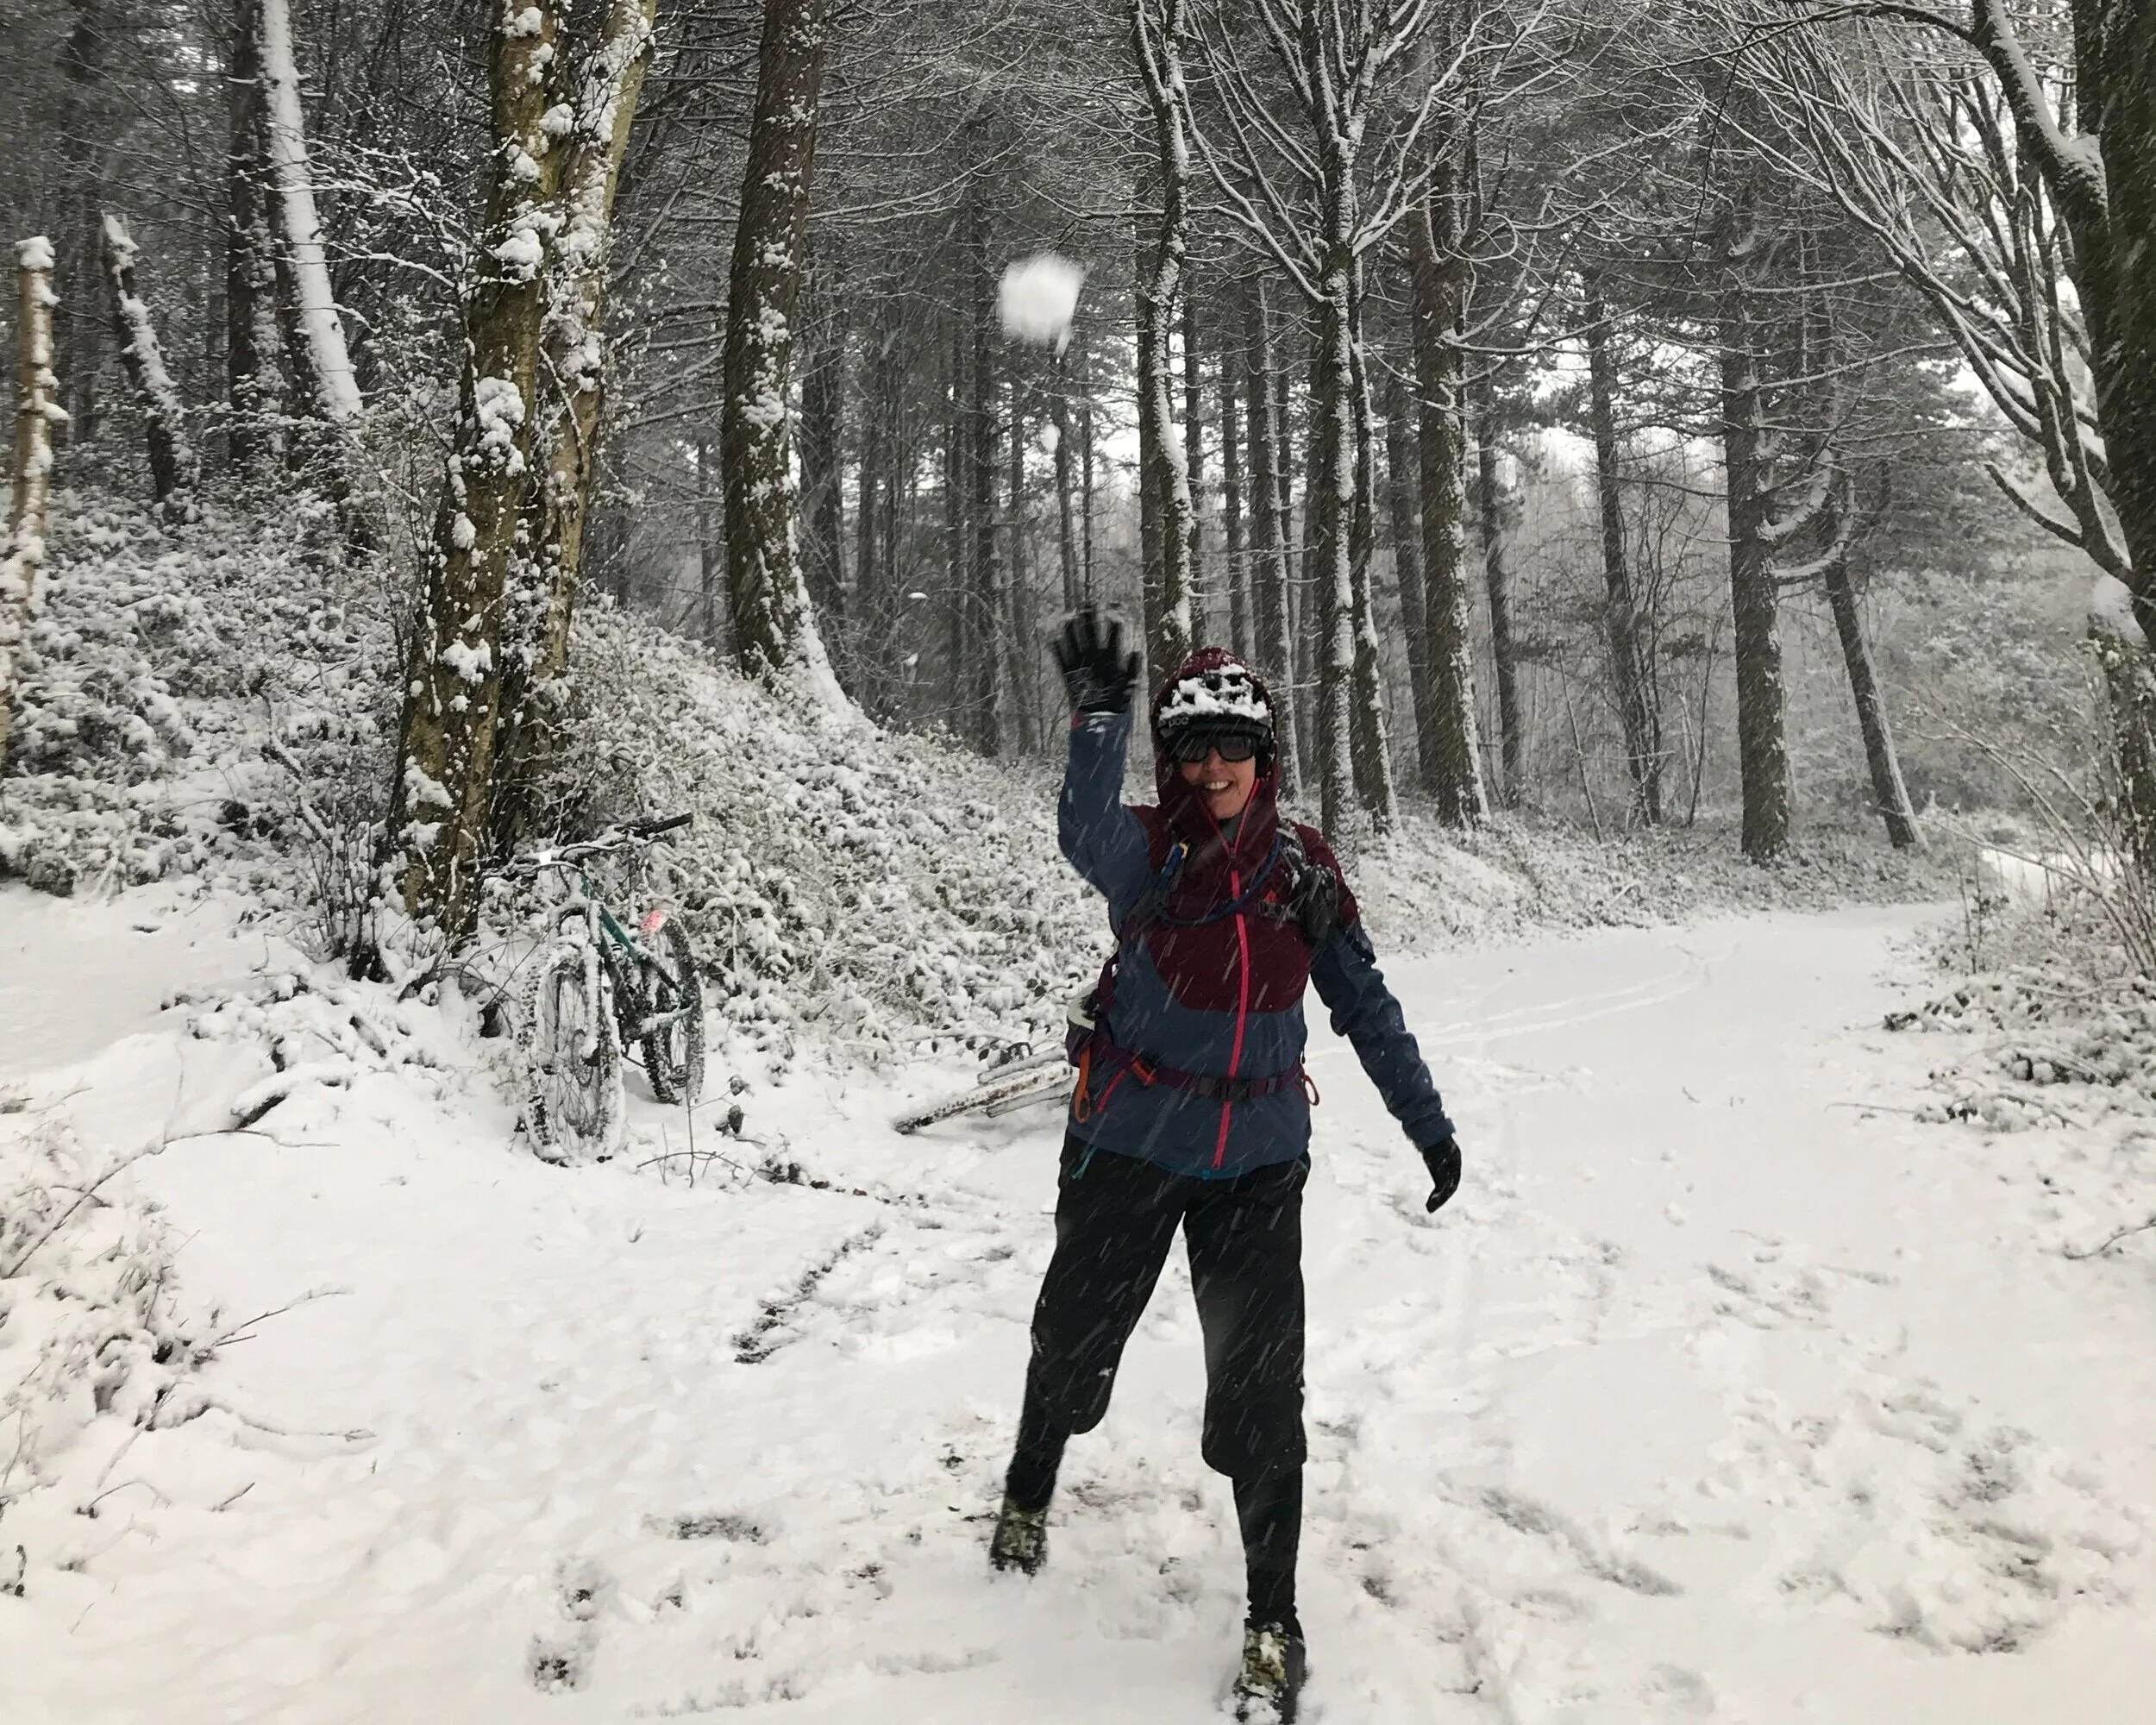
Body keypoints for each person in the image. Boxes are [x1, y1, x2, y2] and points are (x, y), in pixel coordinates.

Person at [988, 606, 1463, 1724]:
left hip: (1256, 1162)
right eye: (1191, 746)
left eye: (1232, 747)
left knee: (1261, 1393)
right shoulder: (1146, 848)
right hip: (1128, 1145)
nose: (1212, 767)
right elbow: (1078, 826)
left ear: (1266, 758)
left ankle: (1271, 1619)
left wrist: (1428, 1123)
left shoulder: (1302, 868)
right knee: (1071, 1341)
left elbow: (1364, 1002)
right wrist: (1097, 721)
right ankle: (1024, 1495)